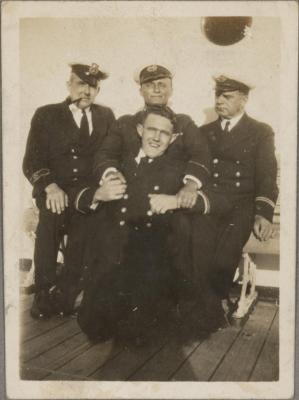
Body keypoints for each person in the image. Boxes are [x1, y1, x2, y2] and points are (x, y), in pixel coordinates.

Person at [74, 106, 233, 343]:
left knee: (142, 334)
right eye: (151, 130)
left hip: (152, 265)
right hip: (111, 264)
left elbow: (223, 202)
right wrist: (98, 194)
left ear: (173, 138)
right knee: (94, 326)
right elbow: (79, 197)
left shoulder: (181, 173)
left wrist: (178, 200)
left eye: (164, 133)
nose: (156, 138)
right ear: (139, 130)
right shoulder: (117, 167)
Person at [23, 63, 115, 319]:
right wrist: (50, 186)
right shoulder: (46, 114)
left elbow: (111, 155)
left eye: (92, 86)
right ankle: (43, 295)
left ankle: (65, 294)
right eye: (80, 84)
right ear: (69, 86)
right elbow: (32, 160)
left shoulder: (106, 116)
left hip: (87, 194)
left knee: (86, 233)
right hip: (55, 190)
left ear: (98, 89)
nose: (86, 91)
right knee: (50, 225)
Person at [190, 74, 279, 330]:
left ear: (244, 99)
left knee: (225, 252)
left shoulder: (260, 132)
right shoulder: (204, 132)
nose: (219, 101)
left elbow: (266, 174)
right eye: (217, 95)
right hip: (210, 202)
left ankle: (210, 303)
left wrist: (263, 213)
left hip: (241, 205)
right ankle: (205, 305)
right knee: (198, 244)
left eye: (226, 96)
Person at [93, 64, 211, 210]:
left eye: (162, 85)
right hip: (126, 201)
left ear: (171, 90)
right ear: (141, 91)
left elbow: (201, 154)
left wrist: (190, 186)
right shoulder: (125, 122)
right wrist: (111, 174)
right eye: (150, 85)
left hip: (165, 204)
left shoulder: (184, 123)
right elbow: (105, 153)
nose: (156, 90)